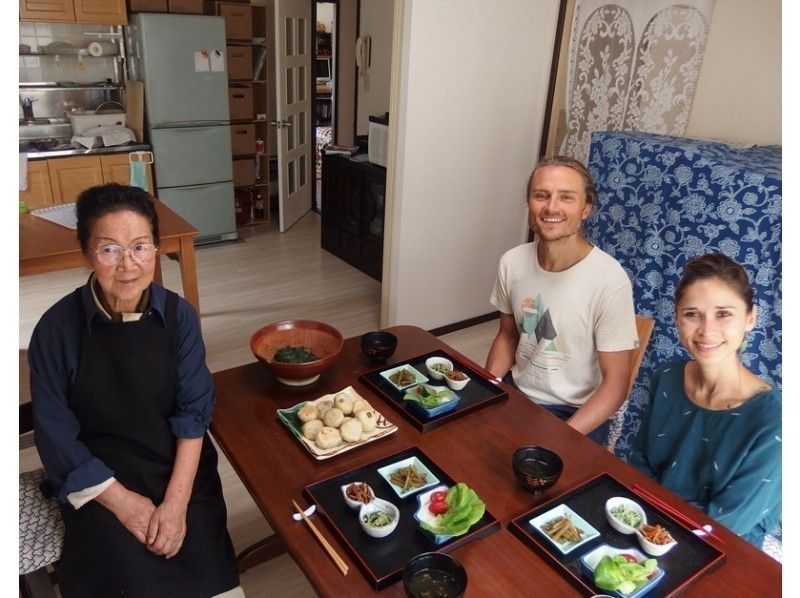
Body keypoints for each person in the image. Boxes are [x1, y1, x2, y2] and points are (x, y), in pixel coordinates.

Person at [28, 184, 242, 597]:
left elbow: (194, 412)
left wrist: (176, 506)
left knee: (212, 581)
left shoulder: (179, 316)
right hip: (99, 480)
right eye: (109, 249)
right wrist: (125, 503)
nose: (128, 265)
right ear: (87, 253)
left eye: (140, 247)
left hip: (177, 472)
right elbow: (56, 436)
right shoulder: (55, 331)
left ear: (157, 249)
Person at [628, 253, 781, 548]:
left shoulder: (774, 419)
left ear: (751, 318)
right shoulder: (668, 378)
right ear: (676, 318)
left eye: (723, 314)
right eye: (692, 314)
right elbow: (639, 462)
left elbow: (729, 522)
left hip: (720, 550)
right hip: (644, 525)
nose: (706, 330)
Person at [486, 156, 638, 446]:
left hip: (574, 413)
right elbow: (507, 337)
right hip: (516, 393)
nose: (551, 207)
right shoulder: (512, 262)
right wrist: (486, 390)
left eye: (566, 197)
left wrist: (559, 437)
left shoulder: (609, 280)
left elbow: (616, 385)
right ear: (529, 204)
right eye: (541, 195)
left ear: (585, 209)